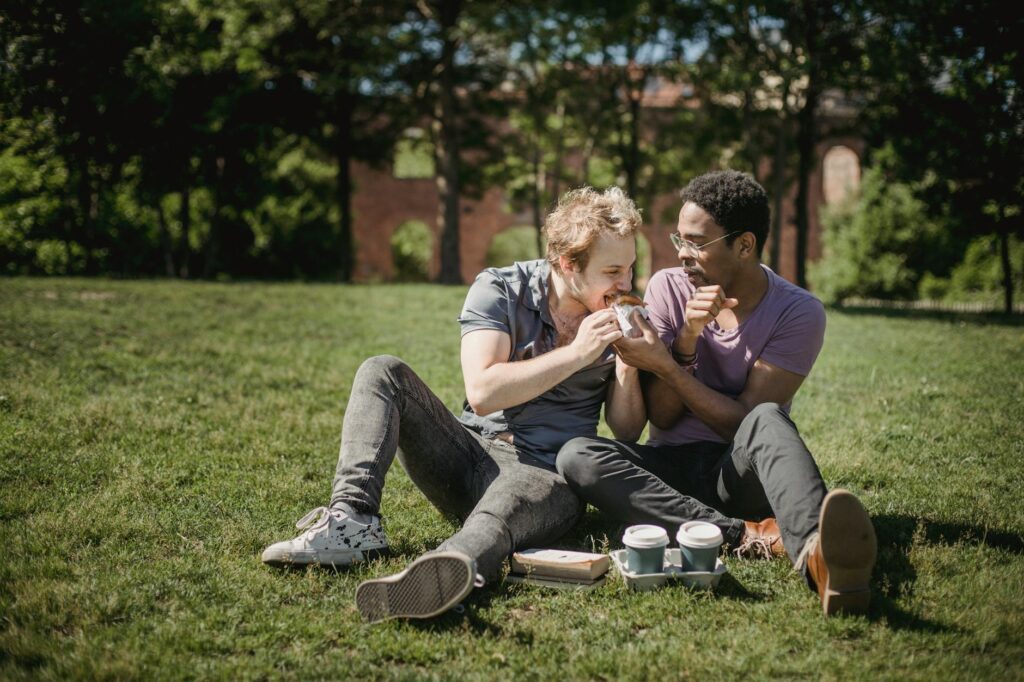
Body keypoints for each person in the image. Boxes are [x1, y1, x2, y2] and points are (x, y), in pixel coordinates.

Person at [262, 187, 647, 623]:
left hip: (545, 474)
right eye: (613, 271)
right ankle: (354, 519)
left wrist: (632, 364)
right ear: (567, 263)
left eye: (630, 269)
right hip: (468, 451)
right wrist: (578, 353)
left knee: (501, 513)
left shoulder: (620, 320)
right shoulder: (501, 288)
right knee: (382, 370)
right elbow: (483, 393)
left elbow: (628, 430)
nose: (625, 285)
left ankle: (446, 571)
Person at [555, 170, 877, 616]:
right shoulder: (669, 288)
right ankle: (745, 535)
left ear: (743, 246)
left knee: (767, 417)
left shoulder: (798, 312)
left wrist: (666, 364)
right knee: (578, 455)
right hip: (669, 470)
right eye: (679, 240)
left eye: (696, 243)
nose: (682, 254)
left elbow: (740, 421)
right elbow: (662, 420)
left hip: (739, 472)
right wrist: (686, 340)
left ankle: (818, 557)